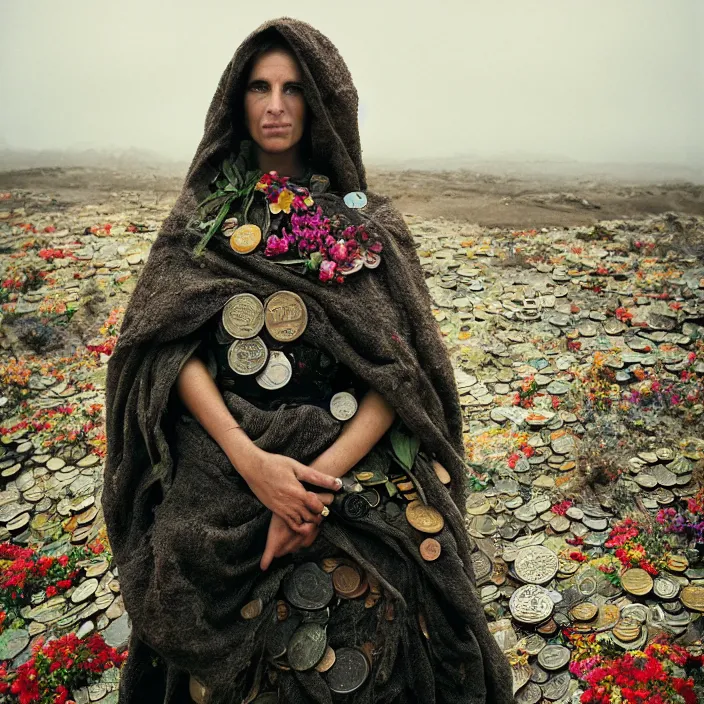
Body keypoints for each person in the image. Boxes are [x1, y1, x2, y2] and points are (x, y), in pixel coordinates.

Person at [101, 16, 515, 704]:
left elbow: (398, 375)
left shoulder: (367, 223)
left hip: (349, 460)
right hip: (226, 457)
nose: (274, 105)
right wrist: (255, 466)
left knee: (395, 607)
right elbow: (169, 350)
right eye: (260, 87)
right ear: (236, 98)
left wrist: (308, 492)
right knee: (189, 587)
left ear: (322, 102)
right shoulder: (202, 217)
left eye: (294, 89)